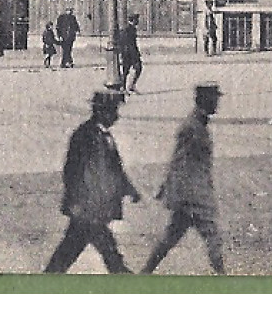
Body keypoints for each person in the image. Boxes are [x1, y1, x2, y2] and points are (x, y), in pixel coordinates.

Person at [44, 91, 141, 274]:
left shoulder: (104, 135)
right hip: (87, 208)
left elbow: (115, 169)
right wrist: (76, 202)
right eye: (113, 111)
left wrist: (129, 189)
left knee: (70, 252)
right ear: (102, 112)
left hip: (93, 208)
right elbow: (71, 171)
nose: (116, 116)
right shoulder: (84, 135)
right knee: (107, 253)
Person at [142, 84, 226, 275]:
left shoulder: (198, 124)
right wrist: (181, 192)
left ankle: (145, 272)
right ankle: (224, 279)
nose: (217, 103)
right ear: (205, 100)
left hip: (191, 194)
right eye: (215, 99)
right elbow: (179, 161)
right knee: (212, 236)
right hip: (192, 196)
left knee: (170, 237)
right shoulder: (191, 127)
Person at [119, 14, 144, 93]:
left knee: (135, 69)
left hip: (131, 53)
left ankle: (130, 86)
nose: (138, 22)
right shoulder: (127, 30)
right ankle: (124, 87)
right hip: (129, 54)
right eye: (136, 20)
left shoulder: (131, 29)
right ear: (133, 20)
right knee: (127, 70)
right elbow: (127, 43)